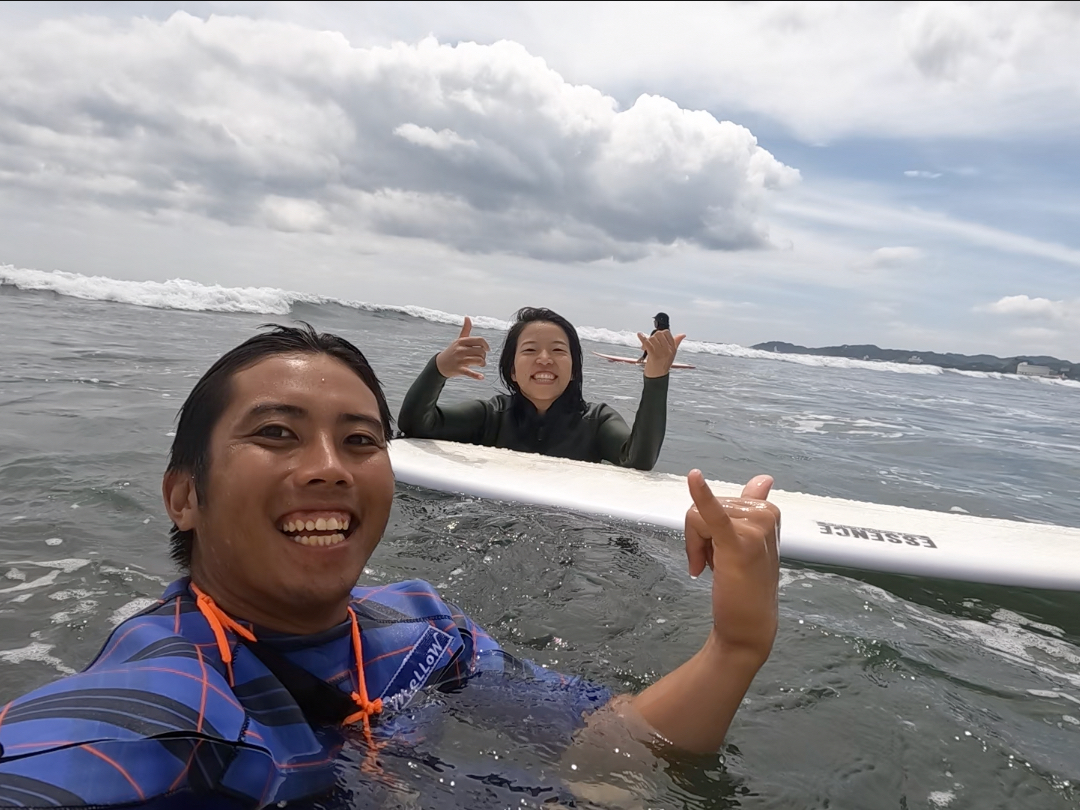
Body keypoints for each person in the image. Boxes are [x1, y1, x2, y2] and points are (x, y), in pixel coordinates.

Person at [0, 324, 779, 809]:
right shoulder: (163, 706)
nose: (331, 467)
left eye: (361, 442)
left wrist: (736, 644)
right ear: (184, 497)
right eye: (277, 433)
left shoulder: (422, 625)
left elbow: (620, 741)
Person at [398, 307, 686, 471]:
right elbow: (415, 425)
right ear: (512, 369)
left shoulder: (597, 422)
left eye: (558, 350)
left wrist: (656, 378)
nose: (545, 358)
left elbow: (637, 460)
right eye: (530, 349)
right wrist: (438, 368)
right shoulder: (491, 416)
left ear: (574, 369)